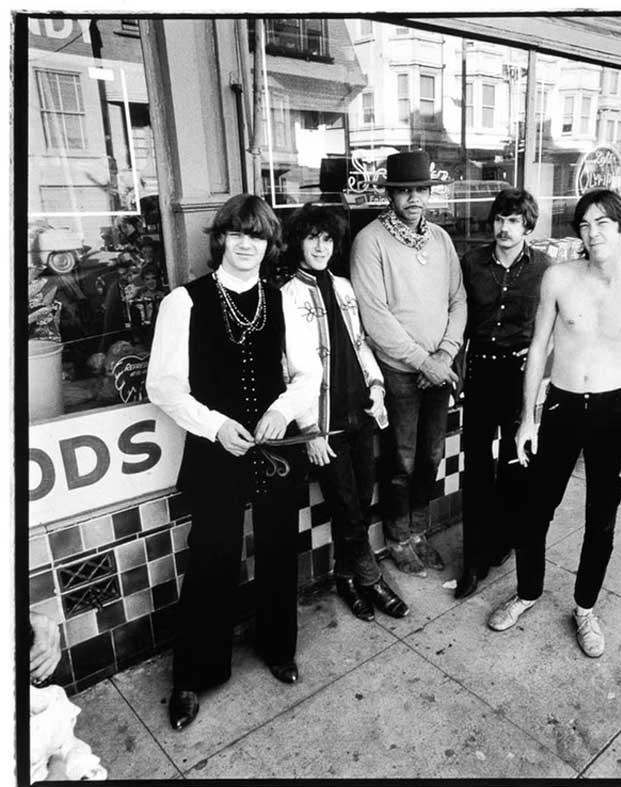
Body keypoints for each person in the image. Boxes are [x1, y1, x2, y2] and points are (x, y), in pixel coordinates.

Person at [146, 193, 321, 731]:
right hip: (215, 449)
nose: (248, 245)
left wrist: (281, 411)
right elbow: (163, 385)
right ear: (221, 238)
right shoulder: (184, 302)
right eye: (238, 234)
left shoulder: (282, 299)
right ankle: (193, 675)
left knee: (278, 550)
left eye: (259, 236)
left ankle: (278, 647)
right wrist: (215, 425)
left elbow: (308, 374)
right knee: (211, 558)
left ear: (270, 244)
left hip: (272, 450)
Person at [488, 188, 621, 659]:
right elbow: (538, 349)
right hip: (561, 408)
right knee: (534, 511)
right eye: (585, 225)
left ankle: (585, 608)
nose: (592, 234)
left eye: (602, 223)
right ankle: (527, 592)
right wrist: (527, 419)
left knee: (601, 521)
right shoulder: (559, 278)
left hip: (614, 413)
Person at [280, 204, 409, 622]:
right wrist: (309, 430)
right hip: (325, 422)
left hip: (360, 413)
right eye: (312, 238)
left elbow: (361, 343)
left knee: (360, 500)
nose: (321, 247)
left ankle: (345, 576)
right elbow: (288, 370)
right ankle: (372, 580)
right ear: (298, 242)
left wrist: (377, 387)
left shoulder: (345, 287)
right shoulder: (287, 295)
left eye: (328, 239)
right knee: (348, 506)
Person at [350, 150, 467, 576]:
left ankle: (419, 531)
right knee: (400, 460)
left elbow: (458, 299)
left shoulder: (440, 239)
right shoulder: (370, 241)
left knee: (432, 456)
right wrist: (423, 361)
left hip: (438, 367)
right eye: (404, 191)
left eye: (421, 190)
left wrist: (445, 353)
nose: (414, 198)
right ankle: (398, 537)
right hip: (400, 372)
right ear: (391, 195)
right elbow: (374, 317)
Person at [455, 188, 549, 599]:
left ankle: (503, 541)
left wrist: (543, 352)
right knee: (476, 467)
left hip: (519, 375)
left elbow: (556, 321)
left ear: (528, 225)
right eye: (499, 219)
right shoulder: (472, 263)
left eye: (513, 220)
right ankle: (473, 561)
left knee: (515, 463)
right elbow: (457, 315)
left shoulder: (544, 267)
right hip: (480, 371)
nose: (504, 228)